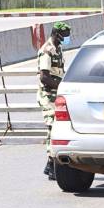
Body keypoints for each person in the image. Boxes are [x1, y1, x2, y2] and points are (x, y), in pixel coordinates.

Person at [37, 21, 71, 180]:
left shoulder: (58, 48)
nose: (66, 38)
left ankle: (50, 165)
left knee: (56, 127)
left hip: (55, 95)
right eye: (64, 35)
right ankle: (51, 166)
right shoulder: (47, 51)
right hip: (48, 95)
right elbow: (44, 77)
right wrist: (61, 86)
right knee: (52, 128)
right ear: (56, 34)